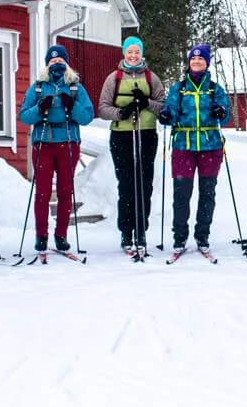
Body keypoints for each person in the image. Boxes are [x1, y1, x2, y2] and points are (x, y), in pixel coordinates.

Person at [18, 43, 95, 253]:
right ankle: (41, 235)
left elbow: (87, 117)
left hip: (68, 143)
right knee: (42, 192)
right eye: (53, 61)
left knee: (65, 191)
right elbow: (24, 116)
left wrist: (72, 105)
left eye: (60, 60)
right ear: (47, 64)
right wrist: (39, 108)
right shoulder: (38, 87)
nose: (56, 64)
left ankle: (61, 235)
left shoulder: (75, 88)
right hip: (43, 143)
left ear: (66, 63)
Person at [159, 43, 231, 254]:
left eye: (201, 59)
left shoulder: (214, 89)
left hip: (211, 146)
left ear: (207, 63)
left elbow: (226, 116)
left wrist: (221, 112)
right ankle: (180, 237)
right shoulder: (179, 88)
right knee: (182, 193)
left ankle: (202, 235)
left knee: (207, 193)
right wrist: (166, 115)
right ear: (189, 62)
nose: (197, 62)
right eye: (193, 59)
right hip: (184, 145)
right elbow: (170, 110)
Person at [97, 36, 166, 254]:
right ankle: (126, 232)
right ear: (124, 53)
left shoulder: (151, 78)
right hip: (122, 135)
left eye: (137, 52)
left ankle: (141, 230)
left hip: (146, 134)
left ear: (141, 53)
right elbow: (103, 108)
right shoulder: (114, 78)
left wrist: (147, 103)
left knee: (144, 184)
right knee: (126, 184)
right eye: (130, 52)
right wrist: (121, 112)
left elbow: (164, 107)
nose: (133, 55)